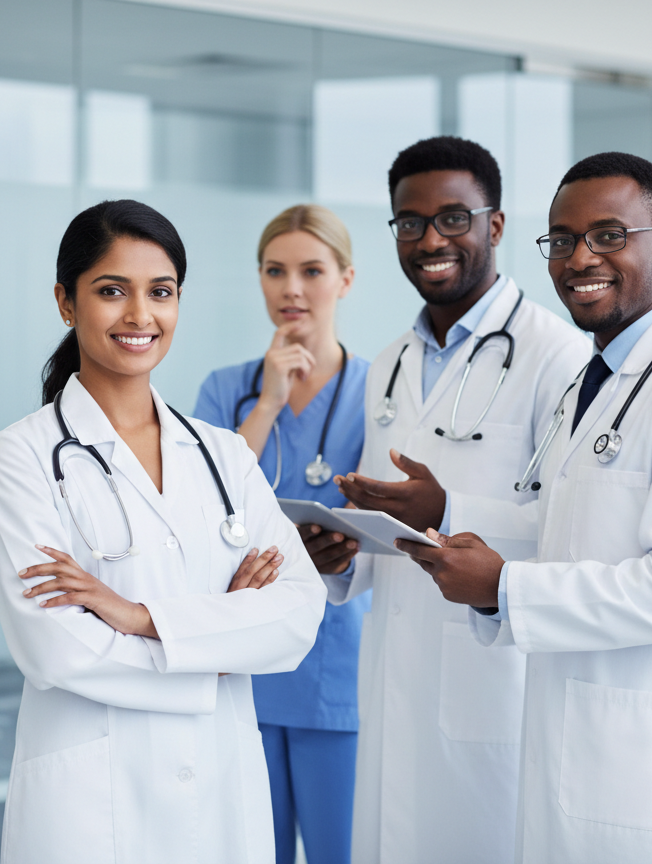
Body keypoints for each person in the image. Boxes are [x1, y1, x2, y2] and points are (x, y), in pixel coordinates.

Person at [397, 153, 652, 864]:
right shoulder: (598, 381)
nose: (580, 259)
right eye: (563, 240)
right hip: (582, 738)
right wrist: (449, 513)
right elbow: (571, 530)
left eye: (608, 236)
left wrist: (504, 586)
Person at [0, 199, 327, 864]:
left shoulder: (224, 455)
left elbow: (297, 616)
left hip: (223, 788)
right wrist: (222, 641)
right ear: (66, 301)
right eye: (112, 291)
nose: (140, 316)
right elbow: (54, 648)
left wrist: (140, 618)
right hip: (94, 803)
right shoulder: (23, 455)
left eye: (160, 292)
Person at [322, 136, 590, 863]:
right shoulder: (390, 363)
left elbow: (575, 532)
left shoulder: (557, 357)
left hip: (493, 674)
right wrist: (343, 552)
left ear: (494, 226)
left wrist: (449, 514)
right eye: (409, 223)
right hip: (394, 671)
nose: (429, 240)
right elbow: (391, 530)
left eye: (452, 219)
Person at [194, 204, 370, 864]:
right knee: (249, 850)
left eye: (310, 270)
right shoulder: (226, 391)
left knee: (338, 851)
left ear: (345, 280)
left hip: (338, 666)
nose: (291, 288)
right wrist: (267, 403)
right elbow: (201, 509)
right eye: (275, 271)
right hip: (246, 665)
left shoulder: (378, 390)